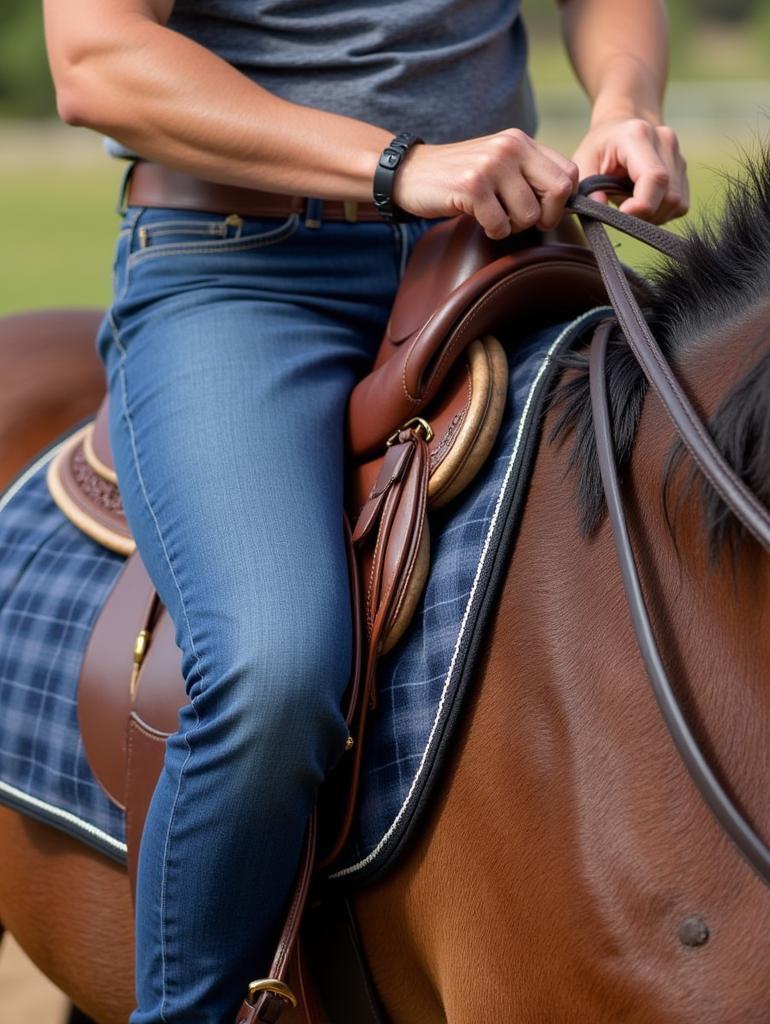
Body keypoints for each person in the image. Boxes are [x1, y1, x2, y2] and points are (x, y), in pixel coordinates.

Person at [41, 1, 688, 1021]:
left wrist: (622, 99)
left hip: (489, 253)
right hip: (238, 263)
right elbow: (96, 60)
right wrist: (399, 163)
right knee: (275, 663)